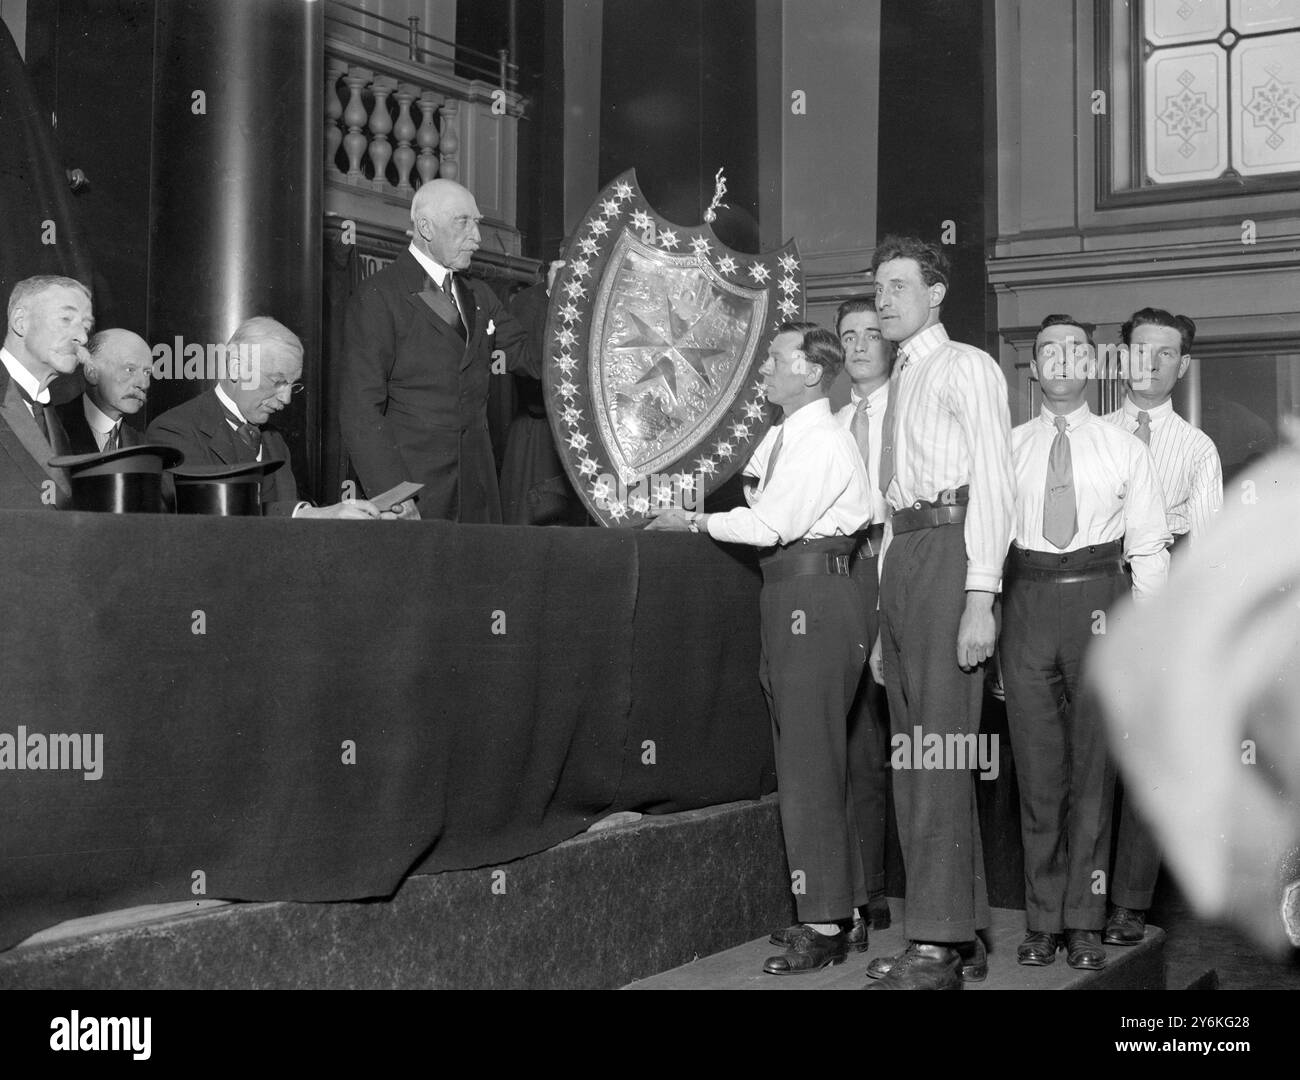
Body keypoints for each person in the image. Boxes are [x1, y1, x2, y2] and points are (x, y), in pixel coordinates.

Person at [648, 321, 874, 975]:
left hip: (814, 598)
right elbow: (755, 492)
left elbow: (772, 522)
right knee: (816, 761)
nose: (765, 369)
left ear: (810, 371)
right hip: (792, 595)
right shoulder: (786, 436)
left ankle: (825, 922)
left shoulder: (820, 441)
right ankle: (845, 908)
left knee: (807, 767)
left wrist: (693, 519)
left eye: (776, 358)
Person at [863, 235, 1014, 991]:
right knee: (915, 758)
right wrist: (884, 616)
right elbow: (893, 510)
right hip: (909, 563)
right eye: (878, 287)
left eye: (897, 285)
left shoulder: (966, 367)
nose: (884, 298)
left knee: (943, 754)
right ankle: (954, 929)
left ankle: (938, 943)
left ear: (936, 292)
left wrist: (980, 596)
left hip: (955, 552)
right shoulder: (900, 383)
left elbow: (994, 480)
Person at [1002, 314, 1170, 971]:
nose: (1064, 359)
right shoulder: (1008, 447)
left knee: (1094, 773)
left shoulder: (1127, 449)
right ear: (1035, 370)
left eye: (1077, 349)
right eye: (1050, 351)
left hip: (1102, 596)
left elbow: (1149, 548)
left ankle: (1085, 921)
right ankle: (1042, 920)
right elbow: (983, 540)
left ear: (1093, 365)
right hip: (1027, 599)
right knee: (1039, 770)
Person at [1101, 307, 1224, 947]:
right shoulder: (1090, 432)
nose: (1149, 363)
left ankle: (1128, 905)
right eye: (1138, 350)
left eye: (1165, 353)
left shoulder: (1197, 448)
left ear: (1182, 364)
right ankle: (1078, 901)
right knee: (1087, 757)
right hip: (1092, 589)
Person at [339, 179, 538, 522]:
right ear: (426, 228)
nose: (477, 237)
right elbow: (361, 409)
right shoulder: (380, 296)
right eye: (464, 222)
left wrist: (561, 296)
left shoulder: (480, 296)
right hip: (415, 497)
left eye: (477, 223)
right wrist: (395, 497)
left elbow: (529, 357)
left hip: (478, 496)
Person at [147, 317, 381, 519]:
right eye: (278, 381)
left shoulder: (275, 440)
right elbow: (210, 515)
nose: (287, 399)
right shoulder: (173, 430)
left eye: (292, 385)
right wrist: (304, 514)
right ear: (237, 368)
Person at [0, 275, 92, 509]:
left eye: (86, 326)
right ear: (20, 322)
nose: (81, 337)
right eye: (65, 318)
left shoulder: (54, 419)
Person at [56, 328, 151, 454]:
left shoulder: (142, 445)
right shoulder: (52, 426)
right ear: (92, 372)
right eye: (129, 370)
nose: (143, 384)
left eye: (147, 372)